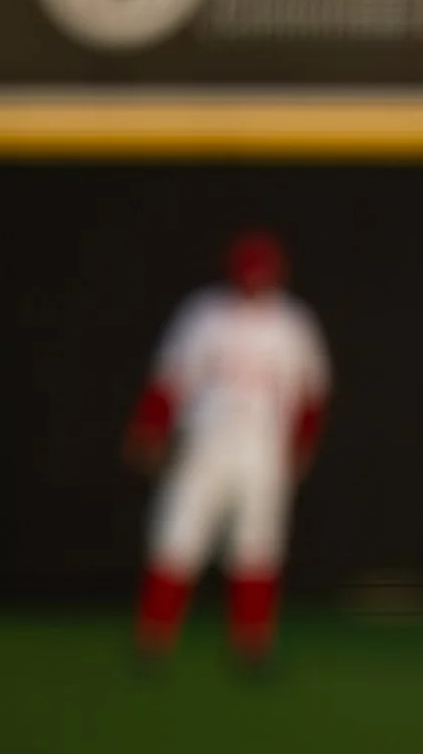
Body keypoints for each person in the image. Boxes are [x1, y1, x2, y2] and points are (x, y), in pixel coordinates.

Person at [126, 229, 330, 668]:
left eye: (262, 274)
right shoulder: (203, 315)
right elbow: (170, 379)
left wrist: (302, 443)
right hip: (206, 442)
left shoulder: (292, 324)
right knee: (176, 534)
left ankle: (252, 643)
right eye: (248, 273)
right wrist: (150, 428)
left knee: (259, 543)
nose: (254, 282)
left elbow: (312, 392)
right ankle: (153, 638)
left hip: (263, 447)